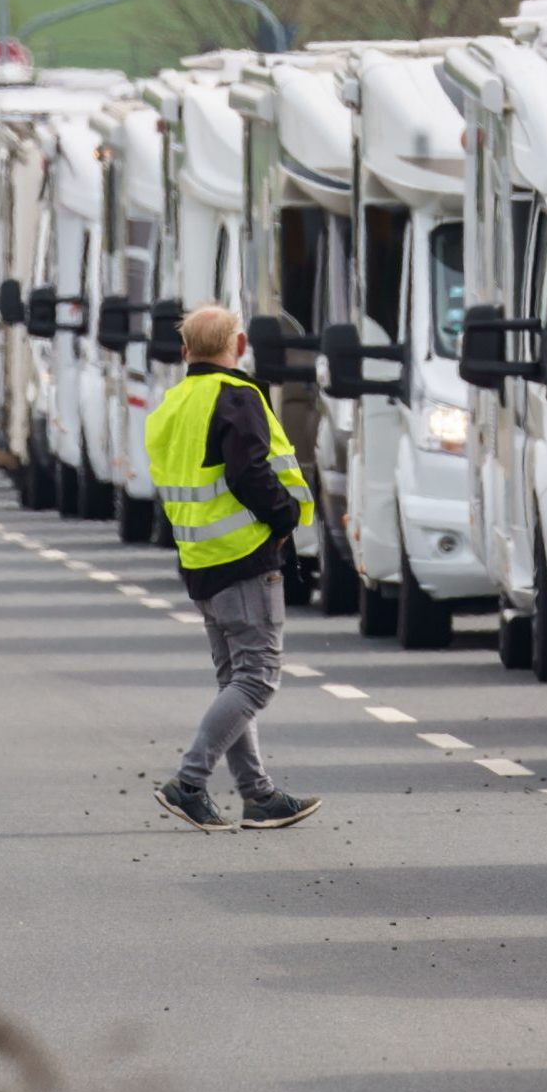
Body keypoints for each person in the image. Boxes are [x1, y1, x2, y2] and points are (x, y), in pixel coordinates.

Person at [148, 305, 321, 832]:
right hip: (245, 556)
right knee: (258, 680)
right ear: (238, 345)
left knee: (234, 679)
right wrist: (285, 516)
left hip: (199, 560)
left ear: (185, 352)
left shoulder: (172, 404)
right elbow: (248, 470)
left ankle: (258, 795)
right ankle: (190, 781)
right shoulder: (238, 396)